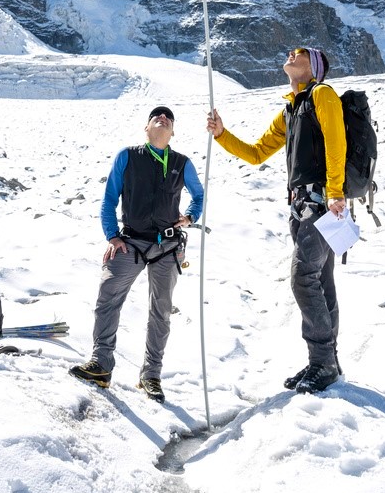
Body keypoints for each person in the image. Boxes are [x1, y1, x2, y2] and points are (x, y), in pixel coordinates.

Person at [207, 47, 346, 394]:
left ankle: (323, 362)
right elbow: (256, 153)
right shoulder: (290, 110)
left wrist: (335, 192)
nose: (289, 55)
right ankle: (325, 360)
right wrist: (222, 135)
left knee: (303, 278)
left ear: (313, 66)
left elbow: (336, 142)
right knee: (320, 279)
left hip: (321, 204)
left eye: (298, 53)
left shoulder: (322, 94)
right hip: (301, 207)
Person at [69, 105, 204, 402]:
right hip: (130, 242)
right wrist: (112, 236)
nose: (163, 117)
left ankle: (151, 375)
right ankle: (101, 364)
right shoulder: (127, 156)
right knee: (108, 295)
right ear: (146, 128)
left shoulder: (182, 163)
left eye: (168, 118)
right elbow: (109, 198)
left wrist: (191, 215)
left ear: (172, 132)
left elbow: (199, 194)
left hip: (167, 247)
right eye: (157, 115)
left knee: (161, 311)